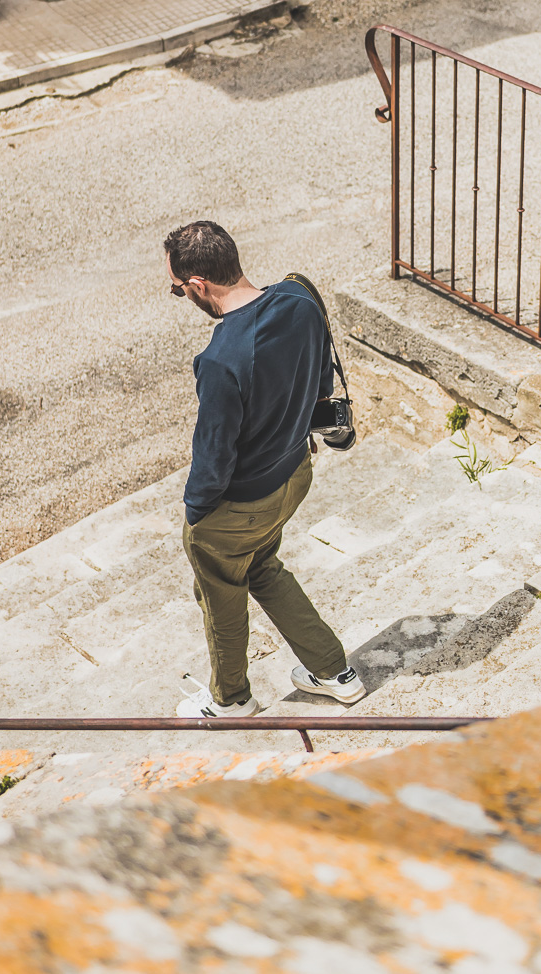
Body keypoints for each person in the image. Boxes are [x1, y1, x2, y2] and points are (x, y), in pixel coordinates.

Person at [163, 220, 365, 718]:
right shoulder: (300, 301)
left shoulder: (220, 360)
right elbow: (321, 382)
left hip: (241, 504)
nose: (180, 296)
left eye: (175, 289)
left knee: (221, 596)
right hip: (293, 475)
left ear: (197, 285)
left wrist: (197, 515)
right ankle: (334, 671)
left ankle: (231, 700)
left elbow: (214, 453)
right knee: (261, 567)